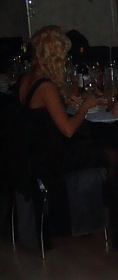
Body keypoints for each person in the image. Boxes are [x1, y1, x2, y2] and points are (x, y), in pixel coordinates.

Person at [17, 25, 102, 181]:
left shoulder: (27, 78)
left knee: (91, 144)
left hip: (35, 152)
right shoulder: (46, 87)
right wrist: (85, 106)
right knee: (108, 153)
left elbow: (43, 112)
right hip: (51, 158)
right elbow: (68, 130)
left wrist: (66, 99)